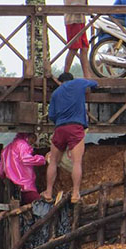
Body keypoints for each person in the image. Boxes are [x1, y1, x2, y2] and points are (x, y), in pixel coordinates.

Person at [41, 72, 97, 203]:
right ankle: (76, 194)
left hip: (60, 128)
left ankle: (48, 192)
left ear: (60, 82)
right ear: (71, 79)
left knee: (53, 161)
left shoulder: (55, 93)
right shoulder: (78, 83)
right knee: (76, 162)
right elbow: (94, 83)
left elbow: (52, 116)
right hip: (76, 128)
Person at [62, 0, 99, 78]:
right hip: (75, 17)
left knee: (83, 47)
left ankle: (87, 75)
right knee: (74, 47)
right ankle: (65, 74)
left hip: (77, 16)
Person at [0, 133, 46, 205]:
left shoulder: (8, 148)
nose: (33, 141)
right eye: (33, 138)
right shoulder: (23, 145)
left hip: (12, 187)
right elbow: (26, 159)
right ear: (28, 136)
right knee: (40, 205)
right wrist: (42, 159)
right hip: (25, 185)